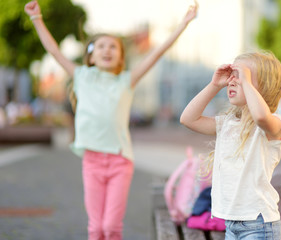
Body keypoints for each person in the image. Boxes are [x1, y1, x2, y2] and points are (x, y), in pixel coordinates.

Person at [24, 1, 198, 240]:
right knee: (96, 229)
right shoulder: (81, 76)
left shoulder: (127, 80)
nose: (107, 50)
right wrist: (37, 18)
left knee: (111, 228)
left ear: (120, 58)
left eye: (113, 47)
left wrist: (183, 24)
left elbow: (157, 53)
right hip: (92, 162)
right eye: (101, 46)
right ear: (92, 56)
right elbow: (54, 50)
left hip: (120, 162)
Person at [180, 51, 281, 240]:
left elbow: (261, 117)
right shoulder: (227, 123)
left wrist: (245, 82)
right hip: (231, 224)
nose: (233, 81)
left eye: (243, 76)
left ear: (265, 86)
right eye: (232, 76)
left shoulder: (272, 124)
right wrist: (214, 85)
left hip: (259, 224)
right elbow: (188, 119)